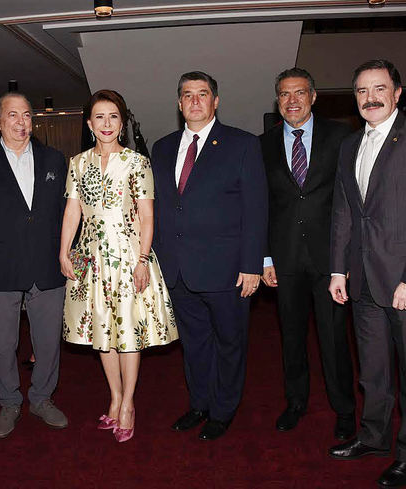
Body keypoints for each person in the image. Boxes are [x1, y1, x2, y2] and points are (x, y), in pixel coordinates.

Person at [328, 59, 406, 488]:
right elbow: (345, 212)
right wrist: (338, 270)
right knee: (374, 372)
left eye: (379, 88)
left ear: (397, 93)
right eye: (362, 91)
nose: (371, 97)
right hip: (362, 281)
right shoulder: (349, 146)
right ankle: (374, 437)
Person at [151, 71, 268, 440]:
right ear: (179, 103)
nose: (195, 101)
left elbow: (256, 210)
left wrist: (253, 265)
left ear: (215, 102)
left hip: (228, 270)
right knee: (194, 344)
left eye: (203, 94)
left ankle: (223, 409)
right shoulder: (162, 147)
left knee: (230, 342)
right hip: (178, 270)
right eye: (188, 95)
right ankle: (199, 403)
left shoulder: (243, 144)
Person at [60, 89, 178, 443]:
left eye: (113, 117)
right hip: (90, 259)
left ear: (122, 123)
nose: (106, 123)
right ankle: (113, 397)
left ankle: (128, 404)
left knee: (127, 335)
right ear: (89, 123)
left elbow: (147, 215)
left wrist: (142, 259)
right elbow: (72, 211)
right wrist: (63, 252)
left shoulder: (137, 162)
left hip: (129, 258)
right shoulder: (77, 163)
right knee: (102, 334)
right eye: (100, 117)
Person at [0, 93, 68, 439]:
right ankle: (9, 401)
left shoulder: (55, 159)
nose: (21, 122)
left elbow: (68, 216)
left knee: (49, 342)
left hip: (47, 268)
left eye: (26, 115)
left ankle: (41, 398)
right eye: (12, 115)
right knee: (4, 344)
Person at [259, 68, 355, 439]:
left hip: (330, 261)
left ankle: (345, 409)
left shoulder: (342, 137)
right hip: (284, 262)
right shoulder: (263, 144)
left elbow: (350, 200)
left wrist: (344, 261)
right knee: (292, 338)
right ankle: (295, 402)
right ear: (277, 100)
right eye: (284, 94)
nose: (292, 101)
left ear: (313, 96)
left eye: (299, 93)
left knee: (334, 339)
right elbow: (262, 206)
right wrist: (265, 258)